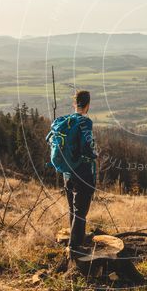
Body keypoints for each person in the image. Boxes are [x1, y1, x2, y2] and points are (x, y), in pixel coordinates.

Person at [63, 89, 97, 262]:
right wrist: (94, 154)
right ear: (88, 105)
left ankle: (73, 240)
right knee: (81, 210)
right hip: (82, 171)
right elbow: (88, 148)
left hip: (67, 172)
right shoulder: (85, 122)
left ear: (74, 104)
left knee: (73, 209)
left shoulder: (67, 121)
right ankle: (75, 248)